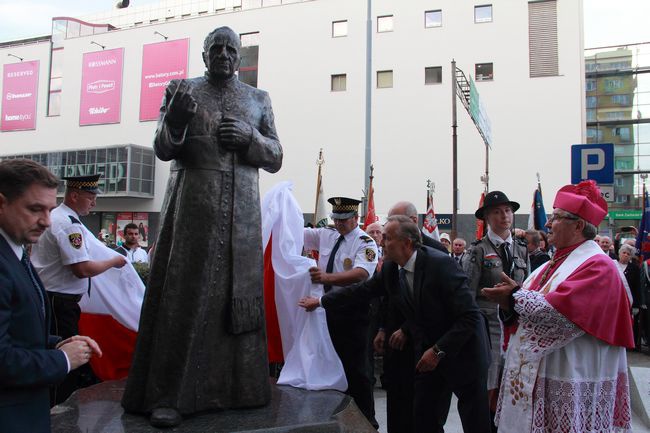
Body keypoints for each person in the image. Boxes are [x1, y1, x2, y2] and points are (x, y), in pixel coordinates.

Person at [121, 26, 283, 427]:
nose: (224, 55)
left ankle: (241, 389)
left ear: (240, 56)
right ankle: (170, 395)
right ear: (204, 55)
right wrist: (175, 123)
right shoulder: (182, 89)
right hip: (194, 206)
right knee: (185, 296)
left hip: (242, 213)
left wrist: (250, 138)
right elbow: (163, 148)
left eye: (231, 49)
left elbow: (276, 155)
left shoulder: (258, 99)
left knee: (237, 298)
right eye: (216, 49)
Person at [300, 215, 491, 433]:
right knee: (424, 417)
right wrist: (321, 301)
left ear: (407, 243)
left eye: (387, 238)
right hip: (428, 353)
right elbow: (362, 291)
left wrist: (438, 351)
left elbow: (469, 316)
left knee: (475, 420)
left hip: (463, 351)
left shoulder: (441, 265)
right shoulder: (391, 268)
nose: (380, 242)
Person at [482, 180, 634, 433]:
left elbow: (560, 312)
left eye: (556, 217)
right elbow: (527, 310)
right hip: (546, 373)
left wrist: (513, 297)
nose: (548, 224)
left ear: (578, 225)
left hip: (575, 370)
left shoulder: (598, 266)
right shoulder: (551, 263)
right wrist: (509, 302)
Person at [0, 159, 102, 433]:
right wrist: (63, 359)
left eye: (50, 209)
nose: (46, 221)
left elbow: (16, 332)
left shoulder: (15, 249)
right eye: (35, 209)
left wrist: (57, 343)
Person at [31, 174, 126, 405]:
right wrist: (114, 261)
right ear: (74, 195)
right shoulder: (68, 224)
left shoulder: (63, 218)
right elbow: (81, 269)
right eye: (90, 196)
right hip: (59, 302)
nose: (94, 203)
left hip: (56, 299)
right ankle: (58, 409)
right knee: (65, 358)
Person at [373, 200, 452, 433]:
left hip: (424, 342)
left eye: (396, 220)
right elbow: (386, 295)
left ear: (413, 222)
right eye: (389, 220)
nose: (390, 226)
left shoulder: (435, 253)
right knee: (397, 402)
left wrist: (407, 328)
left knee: (426, 411)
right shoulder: (392, 253)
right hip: (394, 342)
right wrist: (382, 328)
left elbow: (433, 304)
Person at [303, 196, 379, 428]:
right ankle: (337, 418)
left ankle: (367, 421)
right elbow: (297, 233)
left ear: (356, 218)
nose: (339, 224)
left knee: (357, 369)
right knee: (330, 366)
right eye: (336, 219)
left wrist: (326, 278)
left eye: (344, 220)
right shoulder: (327, 234)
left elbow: (360, 274)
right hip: (327, 309)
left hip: (352, 311)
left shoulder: (365, 242)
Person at [463, 190, 528, 429]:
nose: (504, 216)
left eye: (508, 211)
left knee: (513, 382)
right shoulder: (478, 250)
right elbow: (467, 293)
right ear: (487, 218)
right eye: (497, 212)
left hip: (516, 324)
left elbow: (527, 286)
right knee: (488, 384)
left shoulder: (521, 248)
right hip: (488, 325)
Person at [618, 243, 642, 348]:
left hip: (629, 300)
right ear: (619, 254)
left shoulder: (634, 268)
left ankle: (629, 342)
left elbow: (637, 287)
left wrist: (636, 304)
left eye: (628, 254)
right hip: (615, 301)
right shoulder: (613, 265)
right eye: (624, 252)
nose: (626, 255)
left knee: (628, 323)